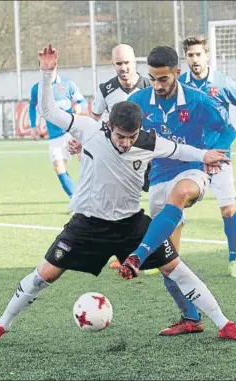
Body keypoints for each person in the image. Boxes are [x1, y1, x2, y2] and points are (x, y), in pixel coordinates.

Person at [0, 43, 236, 347]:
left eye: (131, 137)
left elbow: (182, 150)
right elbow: (49, 110)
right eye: (120, 136)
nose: (126, 143)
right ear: (109, 126)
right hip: (87, 224)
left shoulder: (147, 141)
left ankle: (224, 323)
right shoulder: (88, 128)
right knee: (44, 274)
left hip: (130, 224)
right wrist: (47, 74)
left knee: (176, 268)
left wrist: (207, 154)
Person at [123, 45, 236, 336]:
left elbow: (227, 130)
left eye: (163, 79)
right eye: (152, 78)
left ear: (177, 72)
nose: (158, 85)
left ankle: (137, 255)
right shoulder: (137, 101)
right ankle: (191, 318)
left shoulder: (199, 101)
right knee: (168, 261)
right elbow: (112, 129)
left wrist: (215, 152)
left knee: (180, 193)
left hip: (192, 170)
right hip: (158, 176)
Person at [179, 34, 236, 278]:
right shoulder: (180, 84)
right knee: (174, 205)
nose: (195, 59)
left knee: (228, 209)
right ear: (185, 58)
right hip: (192, 154)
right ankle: (167, 257)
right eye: (190, 55)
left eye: (199, 54)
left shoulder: (223, 82)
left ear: (207, 56)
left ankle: (234, 258)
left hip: (220, 155)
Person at [91, 43, 151, 270]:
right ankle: (125, 253)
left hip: (147, 154)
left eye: (127, 62)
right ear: (113, 64)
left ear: (135, 62)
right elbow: (95, 119)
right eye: (119, 63)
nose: (123, 67)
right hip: (117, 157)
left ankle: (152, 251)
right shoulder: (105, 89)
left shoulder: (149, 85)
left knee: (156, 200)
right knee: (119, 203)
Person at [29, 63, 88, 200]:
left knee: (85, 162)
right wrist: (33, 126)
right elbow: (32, 106)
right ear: (41, 69)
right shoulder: (37, 88)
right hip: (55, 136)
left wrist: (79, 107)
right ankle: (75, 199)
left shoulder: (68, 84)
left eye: (52, 67)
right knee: (59, 167)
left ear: (56, 67)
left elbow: (82, 101)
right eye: (45, 68)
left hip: (72, 131)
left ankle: (92, 195)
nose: (49, 70)